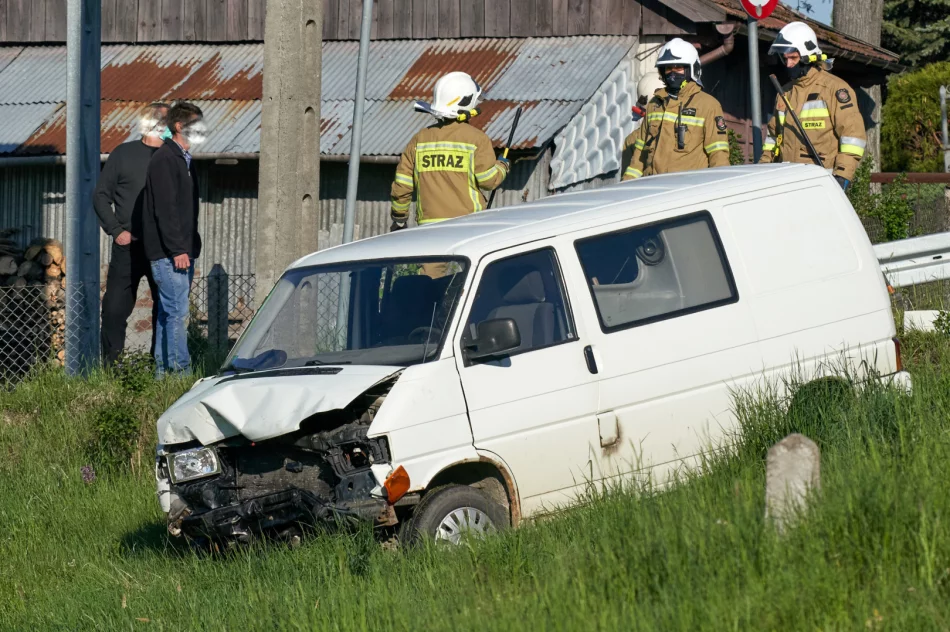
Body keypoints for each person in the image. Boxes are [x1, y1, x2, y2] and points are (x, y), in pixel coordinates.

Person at [93, 102, 168, 367]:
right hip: (128, 246)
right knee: (113, 309)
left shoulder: (174, 156)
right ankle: (112, 369)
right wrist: (116, 231)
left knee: (166, 310)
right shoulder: (124, 154)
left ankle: (159, 367)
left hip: (163, 249)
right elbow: (101, 196)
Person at [390, 71, 510, 231]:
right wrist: (503, 166)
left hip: (428, 228)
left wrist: (399, 218)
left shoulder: (419, 139)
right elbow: (488, 181)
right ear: (466, 103)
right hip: (468, 225)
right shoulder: (476, 139)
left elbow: (402, 185)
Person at [759, 21, 867, 191]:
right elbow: (773, 137)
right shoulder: (785, 93)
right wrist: (763, 169)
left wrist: (842, 177)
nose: (788, 65)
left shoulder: (835, 89)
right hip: (785, 181)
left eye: (793, 58)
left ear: (807, 56)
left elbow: (853, 137)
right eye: (784, 59)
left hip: (821, 182)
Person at [142, 101, 206, 376]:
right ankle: (180, 373)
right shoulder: (166, 158)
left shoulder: (182, 159)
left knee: (170, 314)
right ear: (180, 126)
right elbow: (166, 210)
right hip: (170, 253)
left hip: (180, 250)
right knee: (177, 313)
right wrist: (178, 249)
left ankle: (163, 374)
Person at [622, 38, 730, 180]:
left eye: (678, 67)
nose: (672, 73)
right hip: (651, 187)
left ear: (691, 70)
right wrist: (627, 184)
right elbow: (639, 154)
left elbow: (718, 155)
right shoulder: (655, 104)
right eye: (668, 68)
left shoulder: (708, 105)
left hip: (685, 191)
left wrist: (719, 189)